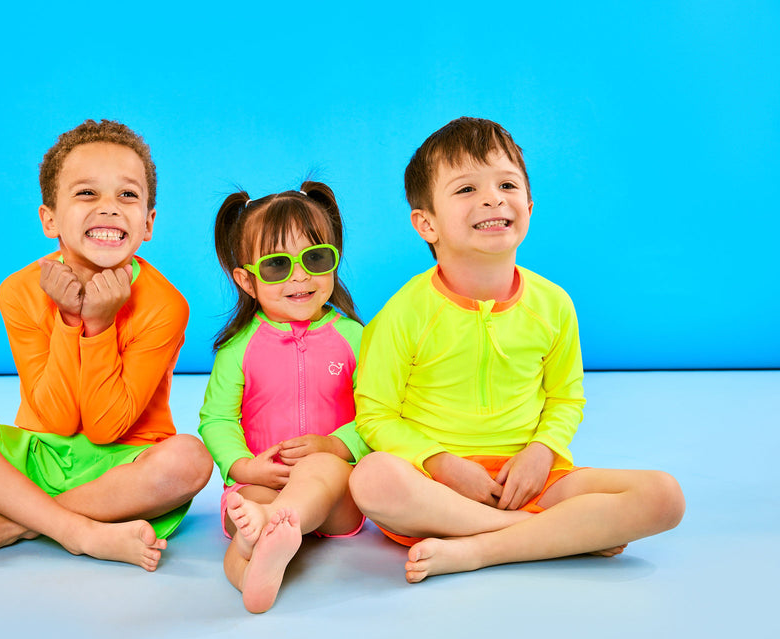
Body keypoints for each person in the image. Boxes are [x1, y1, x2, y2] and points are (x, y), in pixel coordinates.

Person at [350, 117, 685, 583]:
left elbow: (566, 399)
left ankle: (482, 550)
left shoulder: (554, 304)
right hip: (435, 495)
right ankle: (542, 535)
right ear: (426, 223)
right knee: (371, 477)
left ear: (528, 203)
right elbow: (375, 414)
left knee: (665, 497)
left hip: (533, 482)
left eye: (506, 183)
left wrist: (541, 452)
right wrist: (442, 465)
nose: (492, 198)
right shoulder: (403, 313)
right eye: (466, 189)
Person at [0, 119, 212, 571]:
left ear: (148, 222)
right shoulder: (19, 290)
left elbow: (106, 429)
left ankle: (14, 523)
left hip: (124, 473)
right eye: (86, 194)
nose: (109, 209)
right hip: (39, 453)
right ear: (49, 219)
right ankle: (79, 531)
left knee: (189, 459)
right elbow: (57, 419)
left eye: (127, 195)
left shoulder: (166, 304)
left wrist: (98, 325)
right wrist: (68, 320)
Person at [198, 182, 369, 612]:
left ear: (334, 260)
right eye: (277, 266)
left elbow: (377, 412)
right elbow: (216, 420)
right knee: (245, 516)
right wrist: (244, 466)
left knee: (322, 468)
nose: (299, 276)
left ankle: (273, 527)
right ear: (246, 281)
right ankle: (249, 570)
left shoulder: (355, 338)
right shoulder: (238, 349)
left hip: (334, 498)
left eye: (315, 258)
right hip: (261, 487)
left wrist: (336, 445)